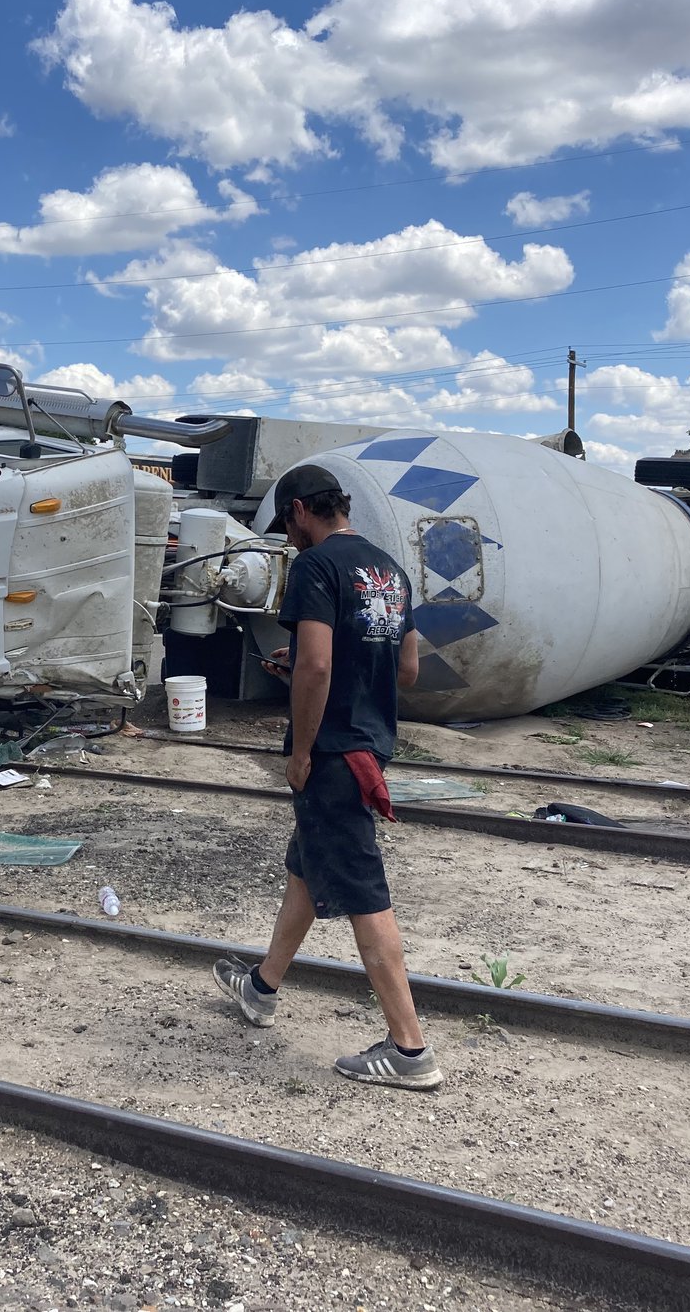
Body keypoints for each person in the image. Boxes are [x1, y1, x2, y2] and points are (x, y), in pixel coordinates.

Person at [213, 463, 441, 1089]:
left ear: (298, 513)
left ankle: (409, 1050)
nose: (289, 540)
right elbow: (407, 670)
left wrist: (301, 752)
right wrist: (326, 667)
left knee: (364, 891)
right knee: (307, 869)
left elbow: (315, 668)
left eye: (287, 527)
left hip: (333, 752)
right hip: (373, 742)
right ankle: (261, 987)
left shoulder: (315, 568)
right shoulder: (388, 570)